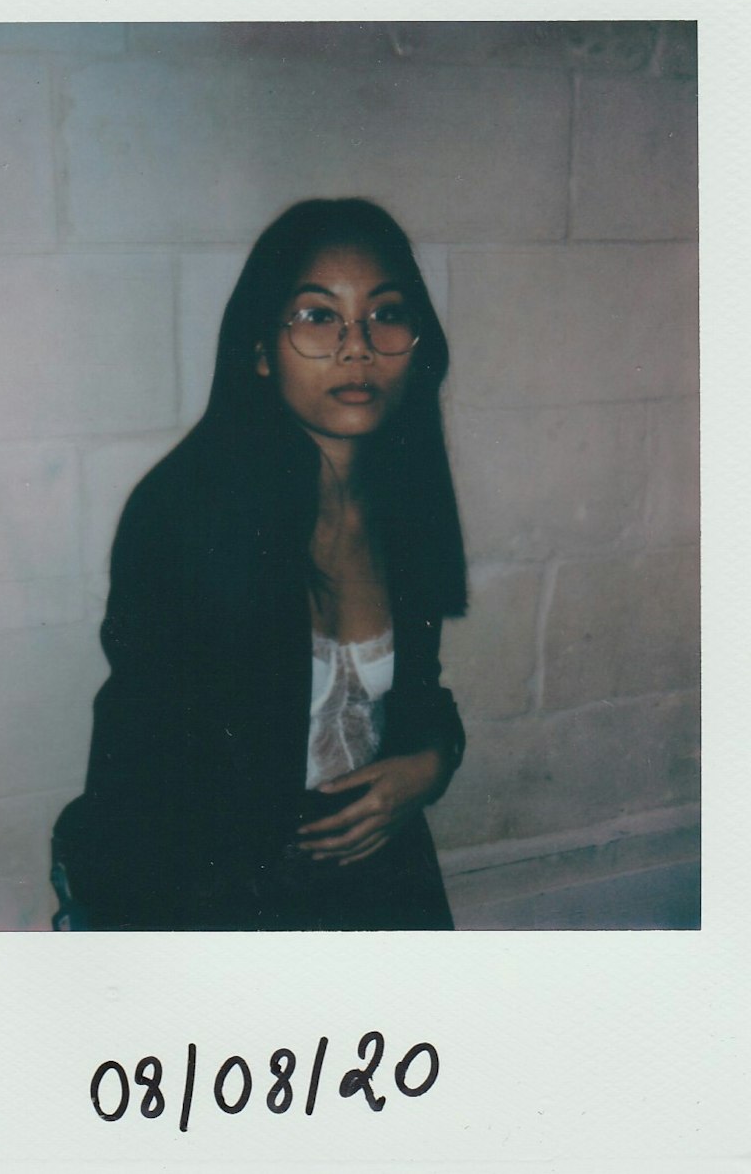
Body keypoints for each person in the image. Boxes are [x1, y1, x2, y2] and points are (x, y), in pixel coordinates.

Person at [51, 197, 467, 931]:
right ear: (260, 349)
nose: (357, 346)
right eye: (317, 316)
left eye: (386, 314)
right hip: (208, 888)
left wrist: (431, 761)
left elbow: (418, 693)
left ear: (418, 344)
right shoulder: (185, 513)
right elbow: (147, 771)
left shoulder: (406, 498)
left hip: (371, 863)